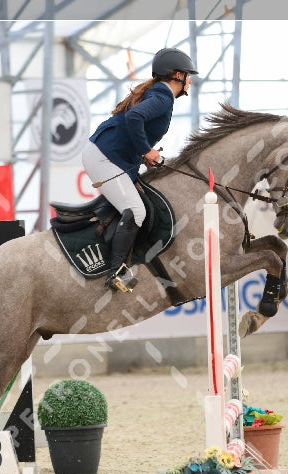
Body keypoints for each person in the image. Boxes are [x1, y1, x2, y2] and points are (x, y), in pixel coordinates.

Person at [82, 47, 198, 293]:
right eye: (188, 75)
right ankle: (115, 272)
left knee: (141, 204)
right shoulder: (164, 96)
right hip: (104, 158)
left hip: (109, 156)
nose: (190, 80)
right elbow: (135, 118)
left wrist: (142, 153)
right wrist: (146, 150)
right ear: (177, 75)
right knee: (136, 210)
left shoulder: (159, 93)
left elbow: (136, 124)